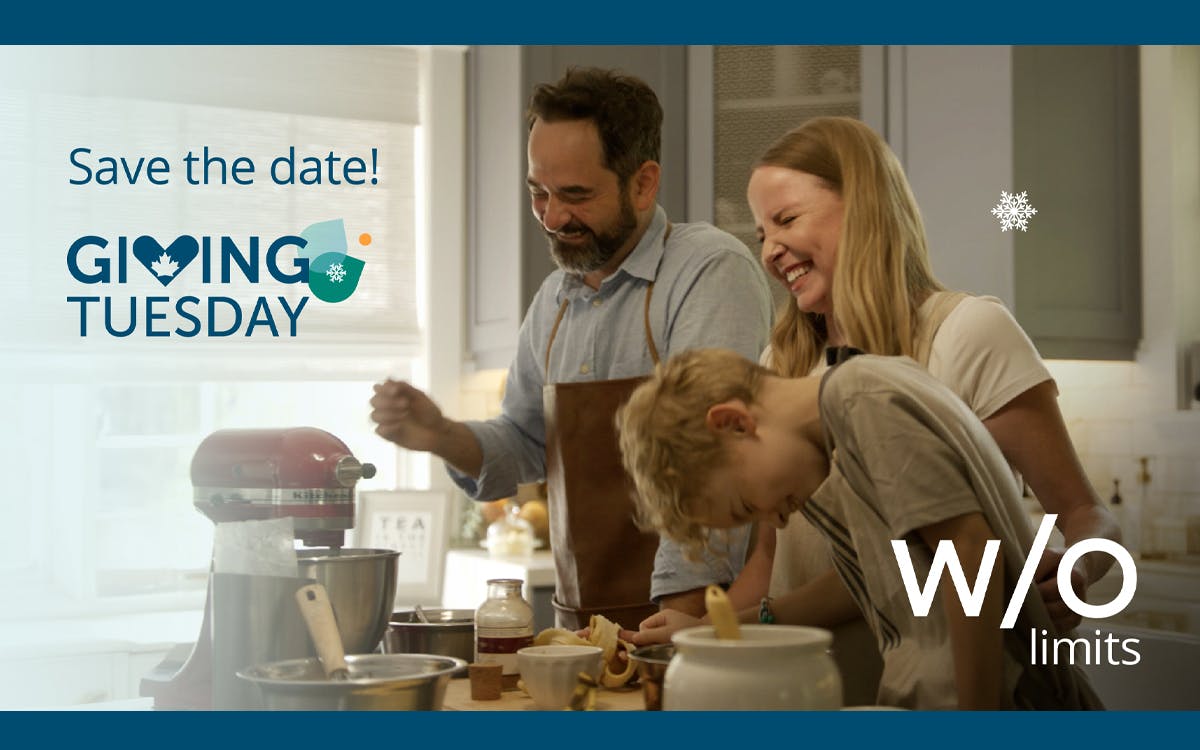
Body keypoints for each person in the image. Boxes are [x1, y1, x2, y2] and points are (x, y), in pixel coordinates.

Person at [626, 117, 1119, 654]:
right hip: (816, 690)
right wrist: (703, 636)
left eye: (785, 219)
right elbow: (771, 563)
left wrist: (1077, 568)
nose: (768, 251)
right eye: (761, 233)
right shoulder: (784, 363)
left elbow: (1084, 512)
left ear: (863, 205)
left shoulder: (967, 335)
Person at [369, 67, 772, 629]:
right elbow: (526, 442)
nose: (553, 217)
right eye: (539, 192)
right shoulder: (554, 302)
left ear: (643, 183)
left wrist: (683, 618)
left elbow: (714, 454)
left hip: (695, 618)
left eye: (576, 196)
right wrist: (443, 436)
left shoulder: (708, 270)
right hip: (584, 623)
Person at [616, 347, 1104, 710]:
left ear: (734, 424)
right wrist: (710, 632)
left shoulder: (863, 400)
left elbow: (968, 554)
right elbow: (877, 582)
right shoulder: (845, 440)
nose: (777, 520)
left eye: (747, 503)